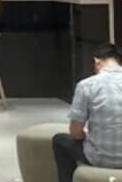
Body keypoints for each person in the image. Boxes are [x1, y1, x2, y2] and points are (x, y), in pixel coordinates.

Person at [52, 44, 122, 182]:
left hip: (99, 158)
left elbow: (75, 132)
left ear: (97, 62)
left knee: (60, 140)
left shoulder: (86, 85)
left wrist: (86, 135)